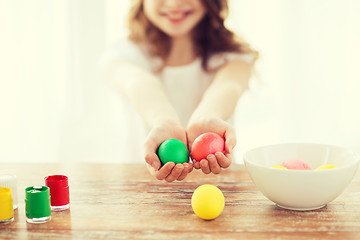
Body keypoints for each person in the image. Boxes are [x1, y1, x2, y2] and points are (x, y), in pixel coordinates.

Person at [99, 0, 258, 182]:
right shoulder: (124, 53)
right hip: (141, 185)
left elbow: (227, 86)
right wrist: (164, 120)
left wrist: (205, 117)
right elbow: (138, 83)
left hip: (219, 185)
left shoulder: (234, 56)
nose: (174, 3)